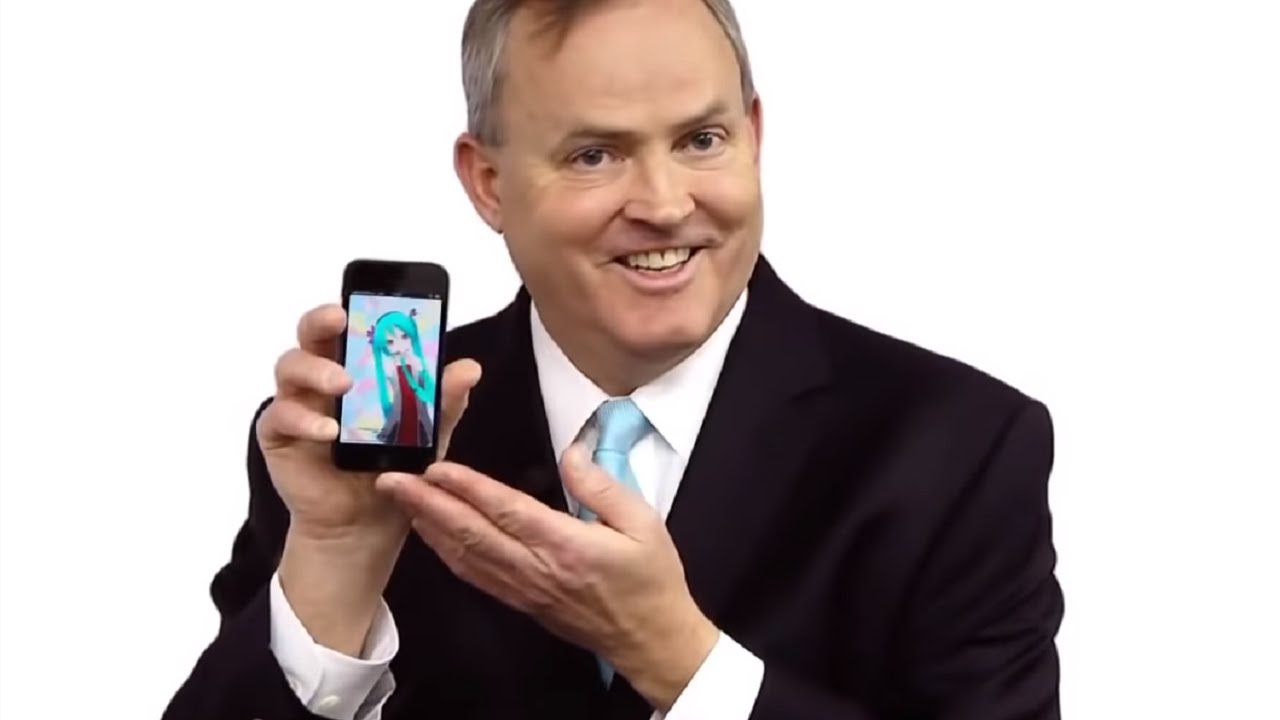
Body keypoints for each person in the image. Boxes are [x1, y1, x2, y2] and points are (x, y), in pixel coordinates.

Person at [164, 0, 1064, 718]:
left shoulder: (960, 448)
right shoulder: (354, 448)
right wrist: (335, 563)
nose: (665, 205)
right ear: (488, 183)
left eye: (701, 140)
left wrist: (681, 663)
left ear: (754, 135)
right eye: (595, 155)